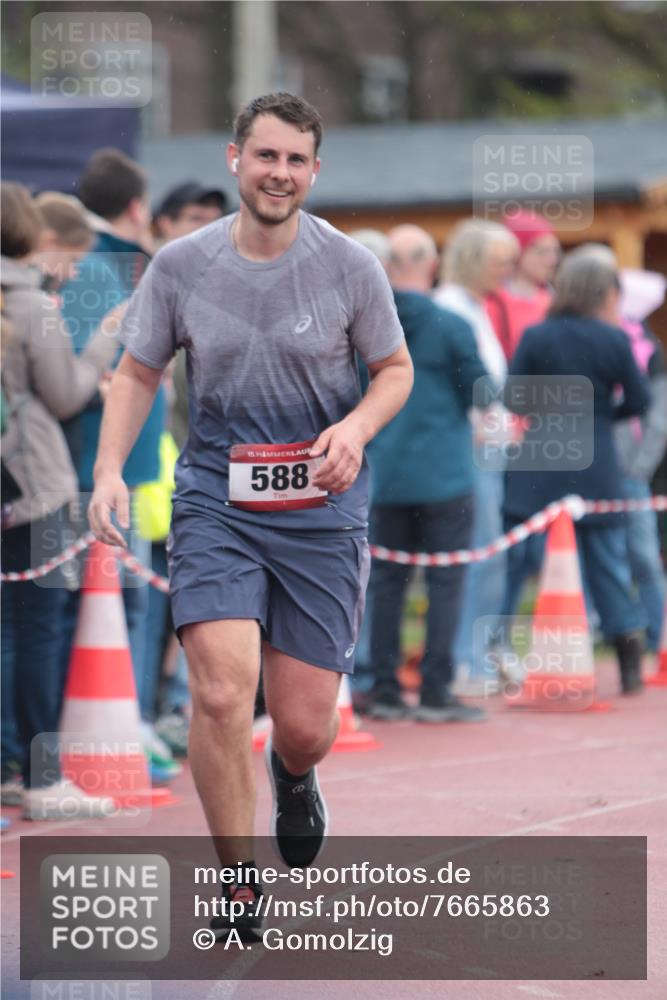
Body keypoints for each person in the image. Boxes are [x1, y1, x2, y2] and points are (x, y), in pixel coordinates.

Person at [88, 93, 413, 928]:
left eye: (295, 160)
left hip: (321, 509)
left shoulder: (349, 266)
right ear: (235, 160)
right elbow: (137, 372)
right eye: (265, 156)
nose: (279, 172)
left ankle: (295, 779)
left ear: (314, 170)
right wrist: (108, 473)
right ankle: (237, 879)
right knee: (224, 697)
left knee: (303, 726)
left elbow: (394, 370)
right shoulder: (181, 265)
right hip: (216, 502)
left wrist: (355, 425)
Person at [0, 182, 121, 819]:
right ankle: (43, 779)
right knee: (40, 629)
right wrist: (103, 342)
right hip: (36, 487)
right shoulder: (31, 304)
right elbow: (69, 393)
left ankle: (5, 768)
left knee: (3, 631)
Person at [58, 149, 170, 779]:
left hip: (119, 467)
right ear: (136, 207)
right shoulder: (113, 271)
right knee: (112, 607)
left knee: (117, 604)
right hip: (103, 470)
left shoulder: (113, 268)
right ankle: (113, 735)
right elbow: (87, 375)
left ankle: (128, 727)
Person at [500, 245, 650, 694]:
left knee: (517, 561)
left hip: (538, 464)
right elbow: (641, 401)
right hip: (597, 464)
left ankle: (495, 652)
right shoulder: (615, 338)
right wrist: (602, 416)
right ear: (604, 292)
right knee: (606, 564)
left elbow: (513, 400)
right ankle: (627, 667)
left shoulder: (537, 336)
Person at [362, 224, 491, 722]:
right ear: (431, 265)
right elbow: (482, 392)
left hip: (388, 475)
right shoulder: (452, 325)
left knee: (387, 582)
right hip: (445, 477)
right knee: (445, 582)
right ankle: (436, 688)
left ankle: (385, 688)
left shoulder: (369, 326)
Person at [434, 220, 519, 688]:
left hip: (491, 449)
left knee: (489, 555)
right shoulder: (453, 309)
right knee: (480, 555)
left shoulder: (477, 307)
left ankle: (474, 656)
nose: (508, 270)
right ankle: (467, 660)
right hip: (473, 452)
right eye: (499, 260)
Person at [615, 268, 667, 653]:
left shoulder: (650, 352)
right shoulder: (604, 340)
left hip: (632, 472)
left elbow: (659, 419)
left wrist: (640, 466)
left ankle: (656, 634)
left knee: (645, 556)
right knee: (607, 557)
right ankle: (618, 632)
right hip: (602, 468)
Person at [486, 210, 560, 361]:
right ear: (517, 252)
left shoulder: (555, 299)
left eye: (555, 251)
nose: (552, 260)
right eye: (542, 252)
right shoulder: (493, 301)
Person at [152, 181, 227, 247]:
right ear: (166, 224)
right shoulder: (147, 260)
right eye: (197, 219)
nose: (210, 228)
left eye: (215, 221)